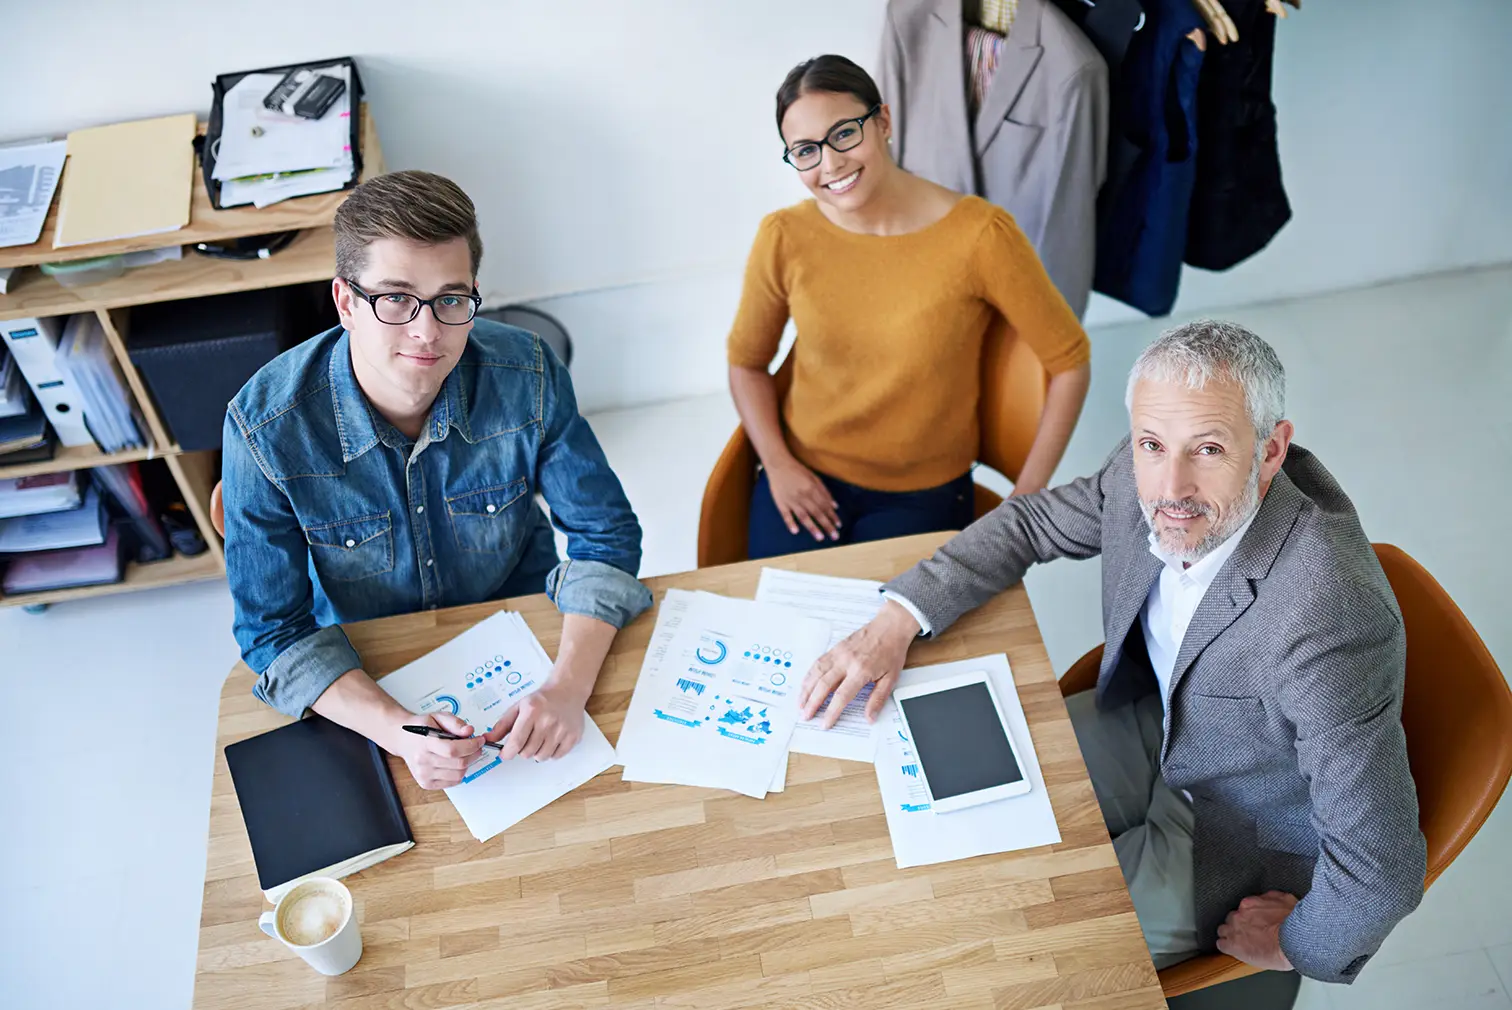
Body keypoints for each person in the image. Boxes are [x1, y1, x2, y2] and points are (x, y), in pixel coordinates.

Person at [799, 320, 1425, 984]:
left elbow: (1382, 867)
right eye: (1153, 444)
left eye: (1208, 449)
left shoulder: (1327, 614)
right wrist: (898, 618)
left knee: (1025, 948)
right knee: (959, 813)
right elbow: (1033, 522)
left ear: (1271, 451)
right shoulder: (1145, 468)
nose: (1170, 488)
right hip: (1151, 726)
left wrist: (1300, 944)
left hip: (1236, 836)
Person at [222, 170, 651, 790]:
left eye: (451, 299)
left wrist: (565, 689)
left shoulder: (528, 373)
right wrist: (398, 732)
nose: (428, 332)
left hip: (528, 641)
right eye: (395, 298)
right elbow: (272, 632)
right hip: (366, 666)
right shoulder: (264, 426)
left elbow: (605, 536)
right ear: (345, 301)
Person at [727, 55, 1092, 560]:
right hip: (801, 479)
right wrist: (779, 464)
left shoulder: (980, 235)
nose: (830, 164)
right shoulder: (783, 236)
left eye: (844, 134)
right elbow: (746, 363)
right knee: (778, 634)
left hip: (923, 494)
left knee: (893, 635)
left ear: (883, 122)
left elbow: (1069, 362)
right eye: (806, 150)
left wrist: (1025, 502)